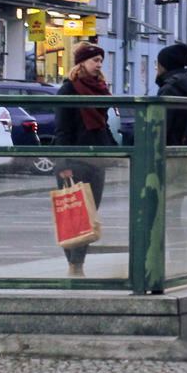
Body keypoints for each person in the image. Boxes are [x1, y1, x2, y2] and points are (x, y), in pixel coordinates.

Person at [53, 42, 116, 277]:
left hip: (96, 159)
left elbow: (102, 125)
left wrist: (113, 149)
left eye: (100, 60)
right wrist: (63, 163)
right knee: (74, 215)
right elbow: (63, 129)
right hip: (73, 161)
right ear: (81, 63)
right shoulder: (69, 89)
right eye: (94, 60)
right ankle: (74, 265)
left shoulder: (100, 88)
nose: (98, 64)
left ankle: (78, 264)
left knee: (90, 215)